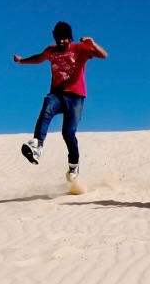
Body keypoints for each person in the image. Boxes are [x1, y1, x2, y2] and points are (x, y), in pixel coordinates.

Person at [13, 21, 108, 181]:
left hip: (76, 96)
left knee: (68, 133)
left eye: (64, 38)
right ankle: (37, 145)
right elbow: (38, 58)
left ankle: (73, 165)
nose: (61, 41)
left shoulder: (79, 48)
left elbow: (103, 55)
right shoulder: (51, 50)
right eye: (59, 39)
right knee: (46, 108)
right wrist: (22, 61)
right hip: (57, 94)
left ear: (70, 38)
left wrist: (93, 44)